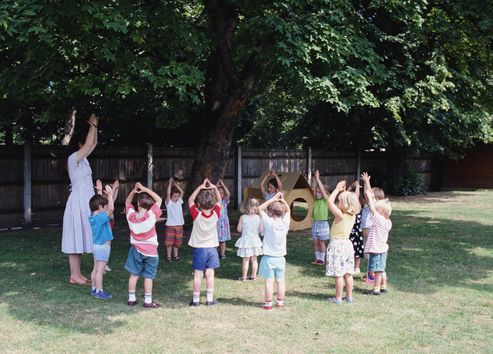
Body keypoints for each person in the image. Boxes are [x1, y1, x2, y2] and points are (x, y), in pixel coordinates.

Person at [61, 113, 99, 286]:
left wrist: (95, 126)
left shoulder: (84, 161)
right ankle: (73, 275)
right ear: (78, 144)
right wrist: (91, 125)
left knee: (81, 236)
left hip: (86, 201)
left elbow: (93, 143)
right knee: (76, 235)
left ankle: (77, 274)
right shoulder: (73, 159)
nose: (87, 146)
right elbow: (90, 143)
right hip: (78, 201)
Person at [124, 182, 163, 308]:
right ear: (151, 206)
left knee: (134, 275)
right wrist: (145, 189)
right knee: (148, 277)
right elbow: (159, 199)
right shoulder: (151, 215)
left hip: (136, 250)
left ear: (138, 204)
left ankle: (131, 298)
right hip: (151, 251)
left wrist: (134, 191)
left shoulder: (131, 216)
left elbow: (127, 203)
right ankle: (148, 301)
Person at [325, 180, 361, 304]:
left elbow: (329, 202)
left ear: (344, 204)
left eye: (339, 201)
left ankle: (338, 298)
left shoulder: (340, 215)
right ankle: (349, 297)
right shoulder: (353, 215)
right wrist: (344, 192)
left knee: (338, 274)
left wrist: (336, 189)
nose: (337, 202)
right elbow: (349, 201)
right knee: (348, 273)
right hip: (347, 245)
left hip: (337, 245)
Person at [188, 178, 222, 307]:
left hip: (200, 249)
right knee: (210, 274)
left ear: (199, 205)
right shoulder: (215, 214)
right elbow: (219, 200)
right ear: (213, 205)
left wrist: (201, 187)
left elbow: (190, 200)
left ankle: (196, 300)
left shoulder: (196, 214)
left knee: (198, 275)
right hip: (212, 249)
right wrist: (213, 187)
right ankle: (209, 299)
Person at [258, 192, 291, 310]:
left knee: (269, 282)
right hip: (280, 258)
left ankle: (268, 303)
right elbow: (288, 211)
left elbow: (259, 209)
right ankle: (280, 302)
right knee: (281, 281)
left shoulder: (269, 222)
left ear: (270, 213)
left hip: (268, 258)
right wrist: (283, 200)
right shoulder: (285, 223)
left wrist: (272, 199)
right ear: (282, 213)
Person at [364, 189, 392, 296]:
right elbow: (376, 209)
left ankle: (376, 289)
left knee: (377, 271)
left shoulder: (379, 220)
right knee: (381, 269)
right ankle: (383, 287)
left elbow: (372, 209)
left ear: (380, 213)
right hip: (383, 249)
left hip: (376, 249)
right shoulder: (387, 222)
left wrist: (370, 198)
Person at [88, 183, 114, 299]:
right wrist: (110, 194)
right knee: (100, 270)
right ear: (100, 207)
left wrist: (99, 191)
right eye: (105, 207)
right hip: (103, 248)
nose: (107, 208)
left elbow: (98, 204)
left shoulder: (92, 216)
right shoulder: (101, 217)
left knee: (95, 268)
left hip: (96, 247)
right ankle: (99, 291)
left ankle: (94, 289)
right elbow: (111, 209)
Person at [360, 172, 385, 284]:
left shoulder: (374, 207)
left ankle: (373, 277)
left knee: (372, 255)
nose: (367, 197)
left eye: (371, 196)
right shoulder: (369, 206)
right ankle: (370, 274)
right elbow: (367, 193)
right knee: (368, 255)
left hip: (371, 235)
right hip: (366, 235)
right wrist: (365, 183)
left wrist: (367, 182)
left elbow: (369, 193)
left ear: (377, 199)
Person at [235, 196, 263, 281]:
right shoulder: (258, 217)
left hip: (246, 240)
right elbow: (261, 229)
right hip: (255, 240)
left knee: (245, 259)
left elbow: (239, 229)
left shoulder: (243, 217)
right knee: (254, 259)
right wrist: (254, 233)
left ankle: (244, 277)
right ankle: (253, 276)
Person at [95, 179, 119, 272]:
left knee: (107, 246)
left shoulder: (110, 202)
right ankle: (100, 266)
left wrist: (115, 188)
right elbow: (111, 198)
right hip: (104, 227)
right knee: (102, 246)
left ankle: (104, 265)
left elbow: (113, 198)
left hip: (109, 227)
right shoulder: (104, 205)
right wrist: (112, 189)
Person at [310, 170, 330, 266]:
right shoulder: (316, 200)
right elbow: (314, 188)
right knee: (315, 242)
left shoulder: (326, 200)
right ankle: (317, 258)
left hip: (323, 224)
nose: (317, 193)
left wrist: (318, 179)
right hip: (315, 224)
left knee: (321, 242)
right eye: (316, 192)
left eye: (319, 192)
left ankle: (322, 259)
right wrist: (314, 179)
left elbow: (322, 189)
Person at [165, 177, 185, 263]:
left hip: (179, 225)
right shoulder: (169, 203)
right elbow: (168, 193)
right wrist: (170, 184)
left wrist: (175, 185)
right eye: (174, 196)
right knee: (169, 243)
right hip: (170, 225)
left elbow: (182, 192)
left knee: (177, 243)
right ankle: (169, 256)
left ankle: (176, 256)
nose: (177, 198)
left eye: (177, 196)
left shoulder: (179, 201)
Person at [347, 180, 364, 274]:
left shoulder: (358, 207)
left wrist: (357, 187)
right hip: (349, 232)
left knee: (357, 251)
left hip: (357, 232)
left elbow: (356, 199)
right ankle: (350, 266)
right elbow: (345, 196)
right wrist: (350, 187)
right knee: (350, 250)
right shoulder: (348, 209)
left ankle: (356, 268)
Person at [216, 179, 231, 259]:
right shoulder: (213, 201)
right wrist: (217, 185)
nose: (221, 194)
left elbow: (228, 194)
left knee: (222, 240)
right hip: (215, 223)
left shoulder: (224, 201)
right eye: (219, 192)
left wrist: (223, 185)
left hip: (223, 223)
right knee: (215, 240)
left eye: (222, 193)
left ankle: (222, 253)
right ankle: (214, 253)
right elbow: (211, 192)